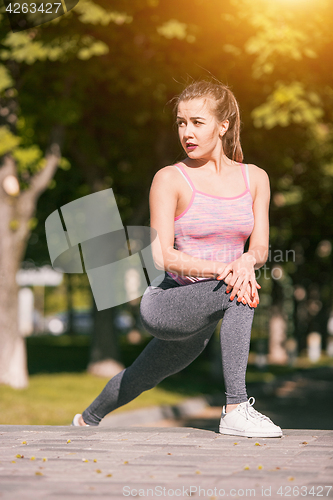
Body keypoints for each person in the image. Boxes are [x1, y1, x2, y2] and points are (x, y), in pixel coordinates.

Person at [72, 80, 282, 438]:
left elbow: (260, 247)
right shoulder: (170, 179)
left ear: (223, 125)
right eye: (181, 123)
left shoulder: (256, 178)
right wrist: (228, 270)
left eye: (197, 122)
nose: (187, 132)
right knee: (239, 291)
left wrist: (246, 262)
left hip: (204, 309)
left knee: (139, 378)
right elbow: (162, 255)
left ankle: (84, 419)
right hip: (166, 302)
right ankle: (235, 408)